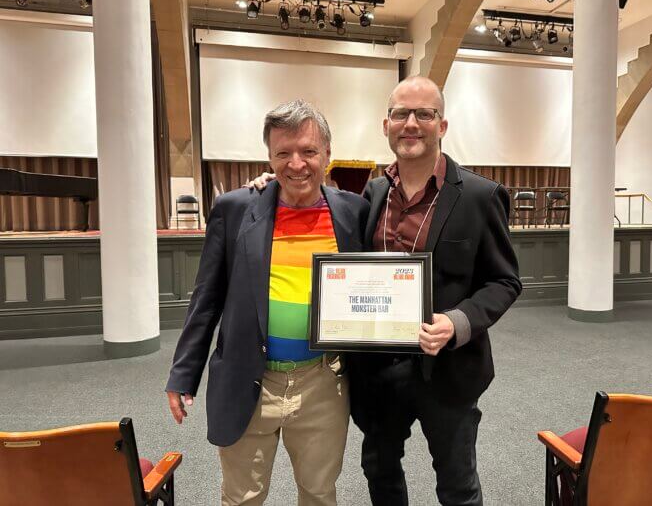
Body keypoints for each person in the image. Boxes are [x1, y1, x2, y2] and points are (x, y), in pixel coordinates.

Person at [251, 76, 521, 506]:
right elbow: (314, 197)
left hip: (447, 369)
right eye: (401, 114)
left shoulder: (479, 196)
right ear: (386, 125)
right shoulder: (372, 194)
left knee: (457, 482)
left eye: (424, 114)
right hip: (378, 370)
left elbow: (505, 281)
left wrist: (458, 321)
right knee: (380, 470)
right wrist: (273, 187)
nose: (411, 123)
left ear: (442, 125)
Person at [166, 99, 369, 506]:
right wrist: (183, 372)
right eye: (283, 153)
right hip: (248, 376)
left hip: (322, 382)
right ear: (269, 157)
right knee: (242, 497)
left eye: (308, 151)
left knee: (318, 494)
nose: (297, 164)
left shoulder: (354, 212)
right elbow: (206, 298)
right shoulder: (236, 209)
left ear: (327, 154)